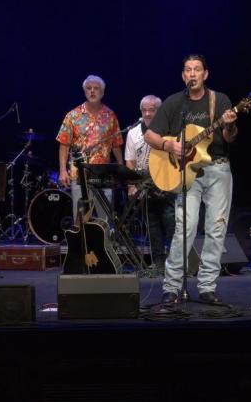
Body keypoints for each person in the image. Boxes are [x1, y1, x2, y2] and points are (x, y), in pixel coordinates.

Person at [146, 54, 239, 305]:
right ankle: (172, 287)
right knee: (183, 229)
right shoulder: (175, 102)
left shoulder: (218, 100)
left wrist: (229, 125)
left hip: (217, 169)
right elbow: (150, 136)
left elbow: (229, 138)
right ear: (183, 76)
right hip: (185, 173)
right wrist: (169, 144)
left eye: (197, 69)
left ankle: (207, 287)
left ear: (205, 74)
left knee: (216, 229)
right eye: (188, 70)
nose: (193, 74)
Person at [56, 75, 124, 222]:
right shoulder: (73, 115)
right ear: (84, 92)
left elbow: (116, 144)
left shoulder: (110, 115)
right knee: (80, 218)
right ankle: (81, 245)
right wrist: (62, 171)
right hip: (79, 174)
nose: (92, 91)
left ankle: (104, 245)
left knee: (104, 219)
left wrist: (121, 168)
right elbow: (64, 145)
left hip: (103, 174)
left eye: (96, 88)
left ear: (102, 93)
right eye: (89, 88)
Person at [124, 94, 174, 270]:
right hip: (145, 186)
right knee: (152, 226)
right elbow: (130, 162)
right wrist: (131, 185)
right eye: (144, 110)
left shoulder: (169, 129)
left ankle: (175, 263)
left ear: (159, 111)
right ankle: (158, 262)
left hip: (166, 183)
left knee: (170, 223)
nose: (147, 114)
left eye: (151, 110)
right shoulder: (133, 133)